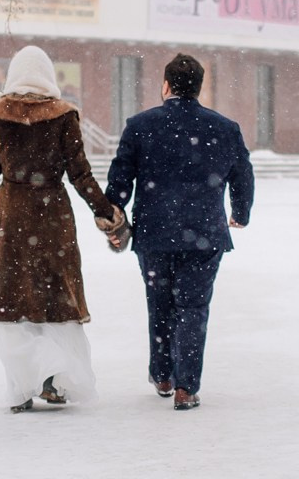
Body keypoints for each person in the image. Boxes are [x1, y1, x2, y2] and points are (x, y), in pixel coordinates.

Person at [0, 45, 127, 413]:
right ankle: (52, 382)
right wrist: (105, 212)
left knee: (12, 300)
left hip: (11, 215)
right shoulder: (63, 116)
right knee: (52, 296)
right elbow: (80, 175)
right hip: (52, 216)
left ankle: (21, 388)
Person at [104, 53, 254, 412]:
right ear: (198, 88)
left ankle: (163, 376)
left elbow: (120, 178)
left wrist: (114, 217)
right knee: (194, 307)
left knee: (160, 304)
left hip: (155, 233)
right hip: (205, 234)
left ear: (166, 85)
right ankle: (187, 387)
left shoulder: (140, 125)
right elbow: (243, 173)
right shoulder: (224, 127)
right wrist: (241, 212)